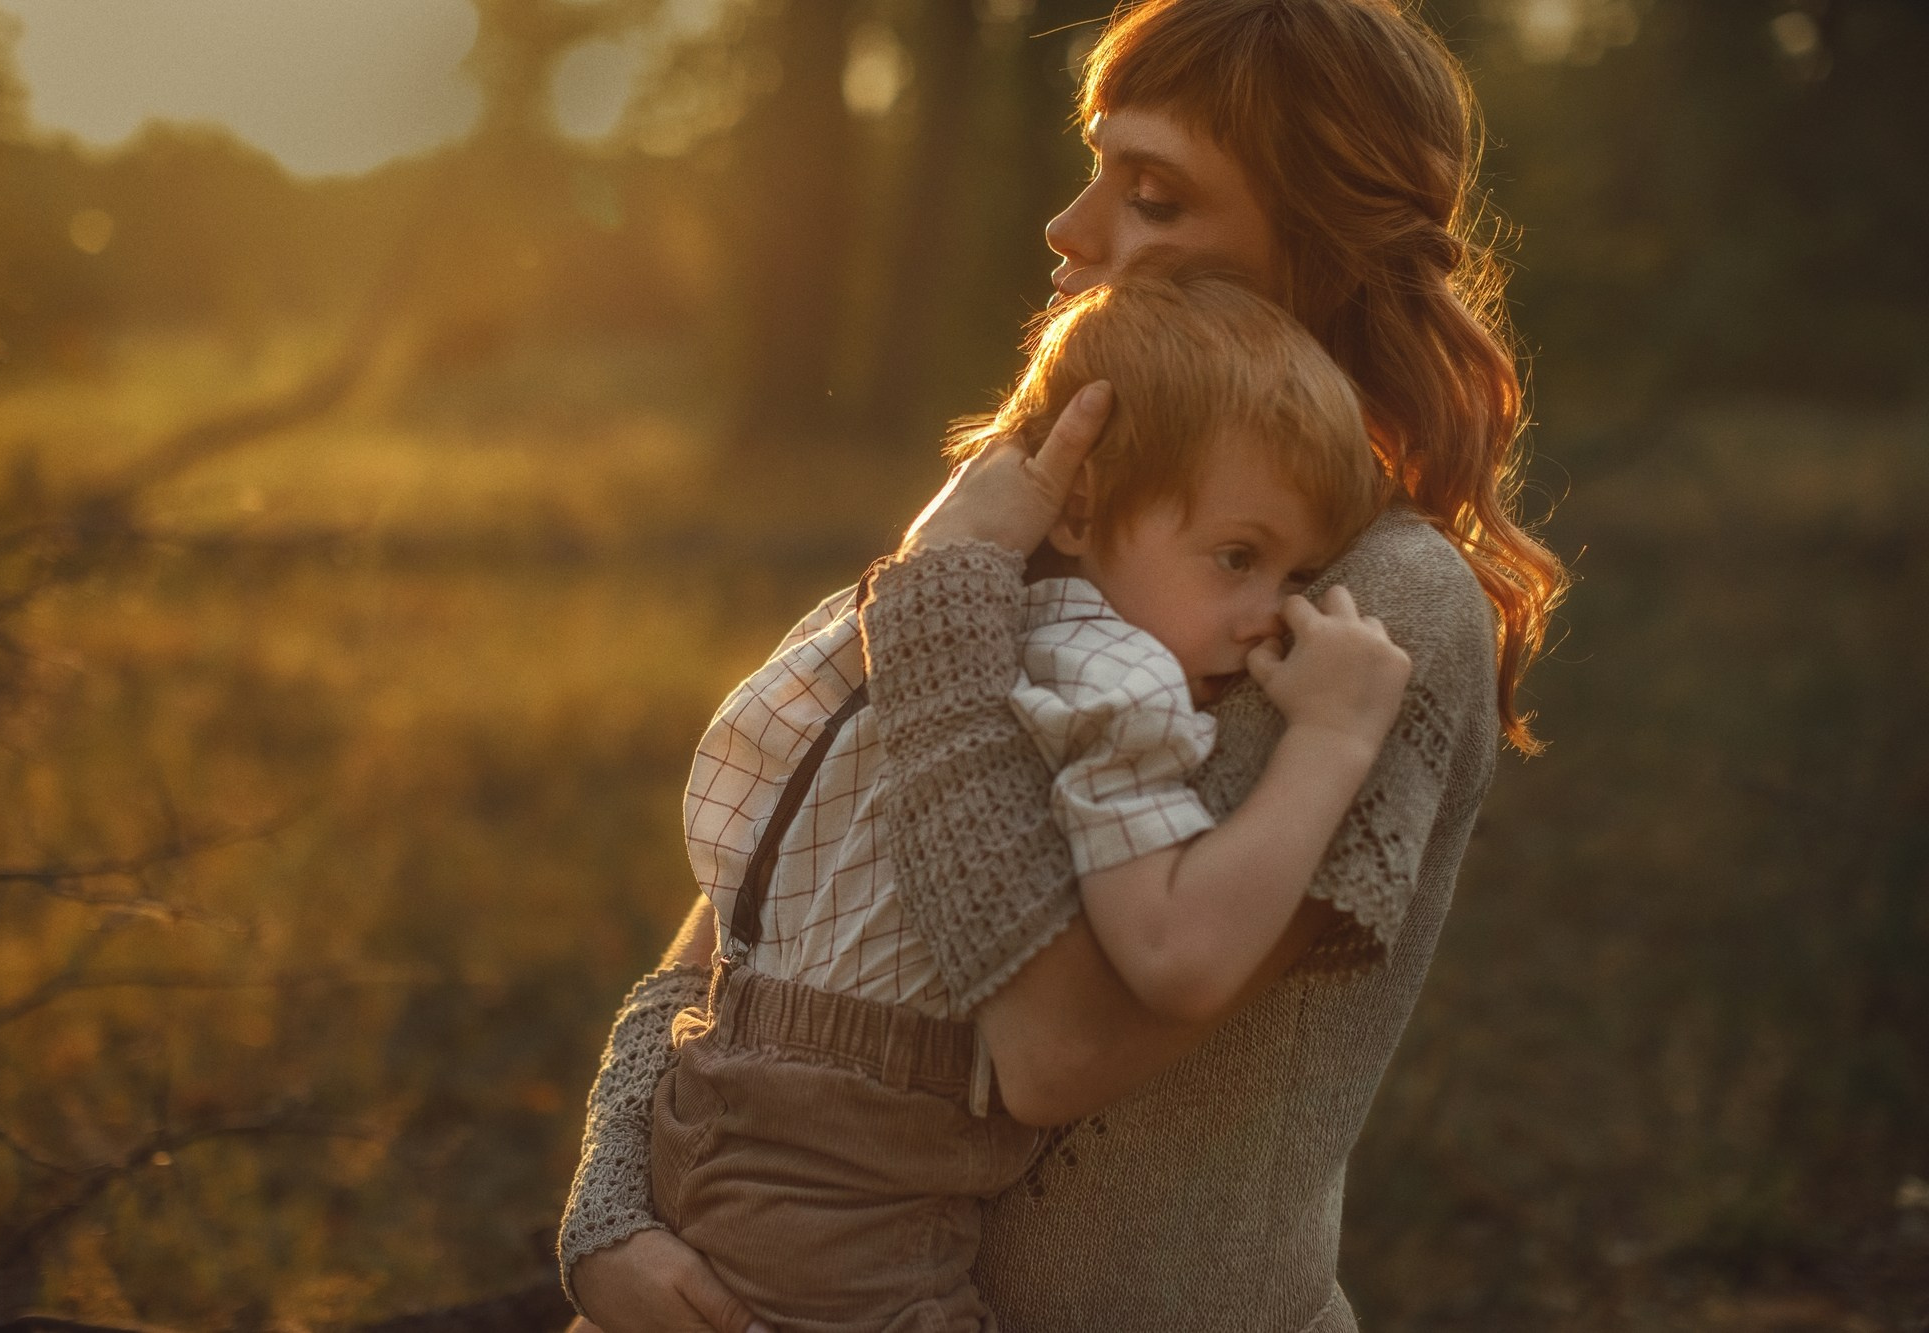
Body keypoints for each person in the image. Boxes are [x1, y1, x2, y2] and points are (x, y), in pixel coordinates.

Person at [559, 1, 1566, 1329]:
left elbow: (1054, 1051)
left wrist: (935, 615)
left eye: (1150, 195)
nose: (1070, 229)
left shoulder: (1372, 608)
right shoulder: (1059, 545)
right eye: (1094, 168)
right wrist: (612, 1204)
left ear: (1318, 258)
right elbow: (739, 920)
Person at [643, 270, 1406, 1332]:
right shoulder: (1113, 676)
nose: (1265, 618)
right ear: (1083, 506)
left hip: (705, 1101)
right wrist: (1332, 737)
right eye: (1236, 556)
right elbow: (1177, 954)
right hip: (845, 1184)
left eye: (1294, 575)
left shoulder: (917, 607)